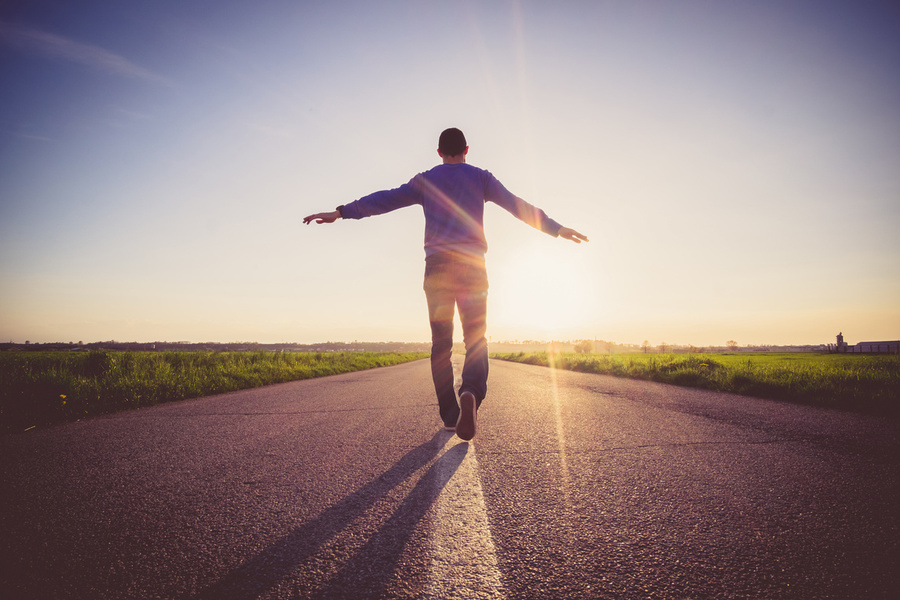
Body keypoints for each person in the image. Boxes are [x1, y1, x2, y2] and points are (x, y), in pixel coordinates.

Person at [303, 128, 588, 441]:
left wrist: (341, 212)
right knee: (476, 339)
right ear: (466, 149)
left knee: (441, 344)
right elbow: (516, 205)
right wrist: (555, 228)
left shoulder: (426, 180)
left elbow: (384, 199)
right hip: (473, 269)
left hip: (437, 270)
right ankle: (471, 393)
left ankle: (451, 414)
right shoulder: (481, 178)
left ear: (438, 152)